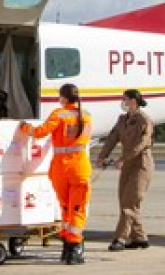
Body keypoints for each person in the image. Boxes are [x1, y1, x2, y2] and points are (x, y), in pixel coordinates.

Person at [19, 83, 92, 265]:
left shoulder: (58, 114)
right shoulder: (87, 116)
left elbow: (39, 132)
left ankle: (67, 247)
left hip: (60, 169)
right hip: (79, 169)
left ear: (64, 98)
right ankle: (73, 248)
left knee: (65, 208)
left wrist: (24, 127)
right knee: (77, 209)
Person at [96, 88, 154, 251]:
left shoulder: (144, 120)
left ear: (134, 101)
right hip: (127, 164)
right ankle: (140, 238)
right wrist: (102, 156)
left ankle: (120, 238)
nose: (123, 102)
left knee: (130, 202)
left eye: (126, 99)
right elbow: (112, 138)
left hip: (141, 163)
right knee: (125, 201)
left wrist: (123, 159)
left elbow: (142, 143)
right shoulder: (122, 119)